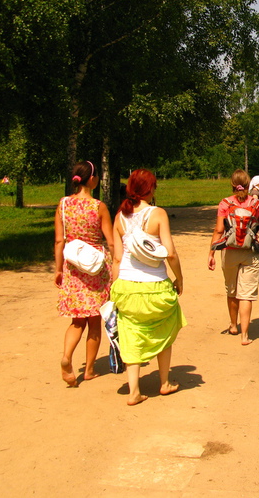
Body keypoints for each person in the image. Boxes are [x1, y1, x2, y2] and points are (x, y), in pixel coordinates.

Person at [111, 169, 186, 406]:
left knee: (130, 333)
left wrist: (116, 289)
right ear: (150, 189)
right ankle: (164, 382)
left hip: (126, 286)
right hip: (155, 286)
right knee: (164, 329)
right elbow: (170, 253)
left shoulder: (119, 217)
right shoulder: (158, 214)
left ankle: (134, 390)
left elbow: (116, 258)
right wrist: (180, 278)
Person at [54, 160, 114, 387]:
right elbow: (110, 241)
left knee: (77, 320)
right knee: (95, 321)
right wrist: (117, 264)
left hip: (73, 266)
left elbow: (59, 240)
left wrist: (59, 269)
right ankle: (89, 370)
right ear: (92, 179)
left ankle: (67, 356)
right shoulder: (98, 206)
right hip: (96, 268)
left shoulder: (63, 205)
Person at [208, 169, 259, 346]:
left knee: (232, 290)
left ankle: (233, 325)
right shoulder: (257, 204)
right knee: (247, 295)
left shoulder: (225, 203)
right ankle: (245, 336)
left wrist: (211, 253)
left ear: (232, 185)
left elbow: (219, 230)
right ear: (248, 183)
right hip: (250, 251)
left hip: (229, 251)